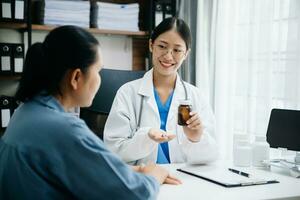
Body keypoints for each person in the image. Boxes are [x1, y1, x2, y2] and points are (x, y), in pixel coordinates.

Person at [0, 25, 181, 200]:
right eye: (98, 71)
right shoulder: (64, 129)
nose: (100, 79)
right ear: (76, 77)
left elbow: (84, 167)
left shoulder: (27, 111)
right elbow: (135, 194)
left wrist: (136, 171)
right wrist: (154, 176)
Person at [104, 17, 218, 165]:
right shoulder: (127, 93)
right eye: (162, 46)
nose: (168, 56)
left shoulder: (196, 96)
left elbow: (211, 157)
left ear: (186, 54)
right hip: (142, 179)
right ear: (151, 45)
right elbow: (113, 151)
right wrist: (146, 137)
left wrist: (195, 138)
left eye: (177, 50)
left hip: (182, 182)